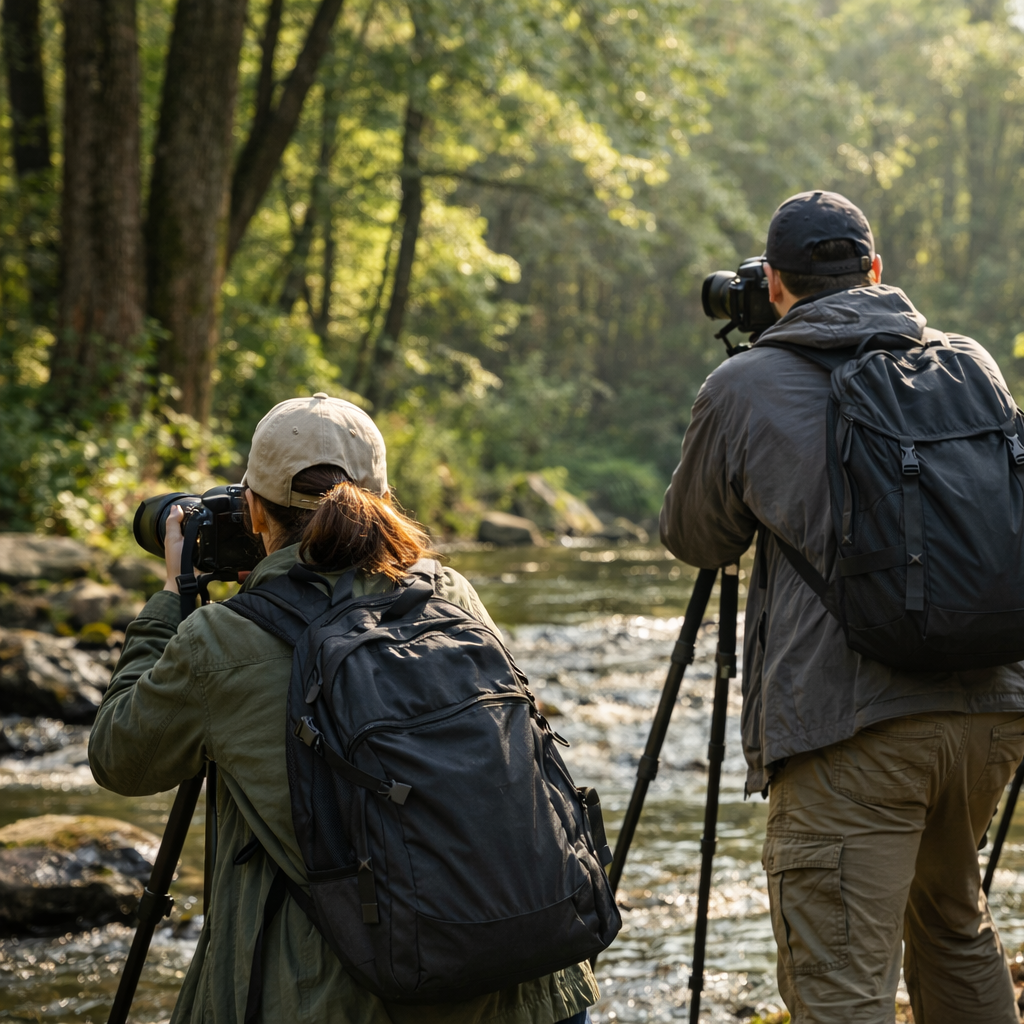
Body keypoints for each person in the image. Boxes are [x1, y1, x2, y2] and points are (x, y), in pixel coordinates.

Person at [89, 394, 598, 1024]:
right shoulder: (449, 592)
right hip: (525, 982)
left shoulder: (220, 640)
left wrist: (173, 599)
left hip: (334, 999)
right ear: (383, 499)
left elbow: (119, 758)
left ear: (252, 508)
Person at [659, 191, 1024, 1023]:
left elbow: (697, 538)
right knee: (954, 928)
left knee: (840, 988)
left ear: (775, 285)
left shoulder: (744, 384)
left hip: (849, 727)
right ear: (877, 271)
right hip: (989, 713)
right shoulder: (968, 363)